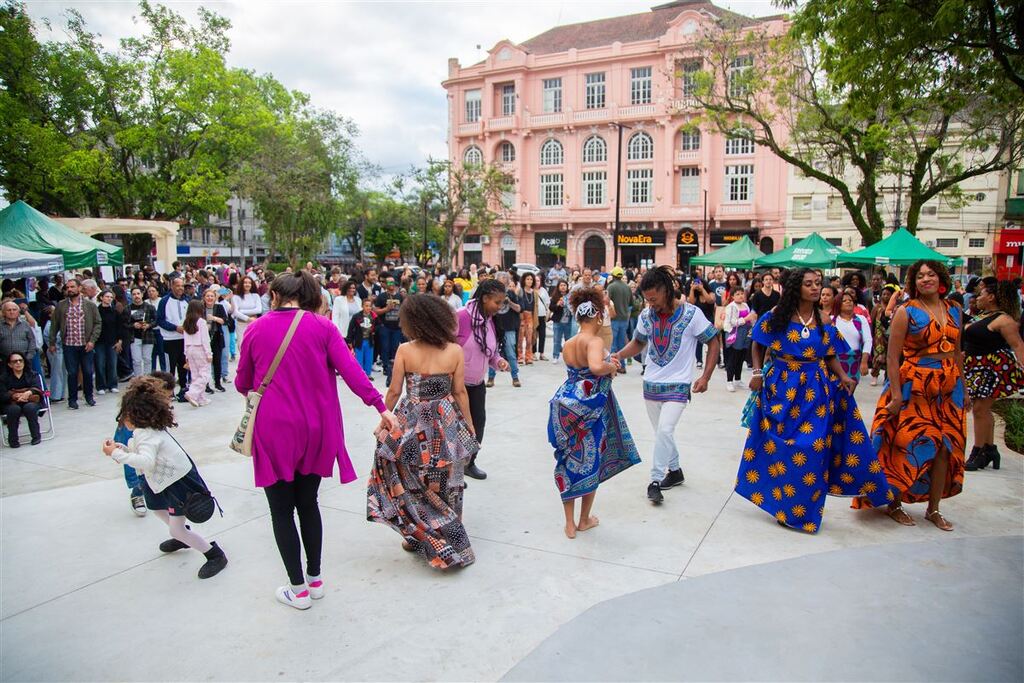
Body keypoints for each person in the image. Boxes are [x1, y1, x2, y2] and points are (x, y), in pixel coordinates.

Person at [235, 270, 397, 610]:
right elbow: (352, 371)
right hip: (316, 428)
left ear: (275, 296)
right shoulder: (323, 327)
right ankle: (315, 579)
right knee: (308, 503)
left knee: (281, 511)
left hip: (274, 429)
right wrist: (380, 406)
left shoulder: (255, 329)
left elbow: (242, 382)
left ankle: (298, 590)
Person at [736, 268, 893, 533]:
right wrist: (757, 372)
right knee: (783, 449)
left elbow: (830, 353)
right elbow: (758, 343)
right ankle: (783, 506)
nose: (815, 288)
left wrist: (843, 376)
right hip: (782, 388)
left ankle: (804, 513)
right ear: (797, 287)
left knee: (813, 449)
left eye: (818, 283)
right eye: (808, 284)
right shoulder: (777, 316)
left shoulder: (823, 319)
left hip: (815, 391)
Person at [853, 260, 966, 531]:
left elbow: (957, 351)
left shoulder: (955, 310)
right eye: (920, 276)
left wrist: (964, 388)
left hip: (949, 387)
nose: (925, 279)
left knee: (945, 448)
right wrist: (895, 394)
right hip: (914, 383)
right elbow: (893, 356)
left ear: (941, 279)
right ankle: (895, 504)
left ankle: (934, 509)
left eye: (930, 274)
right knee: (905, 444)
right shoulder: (907, 311)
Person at [367, 294, 478, 569]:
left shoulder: (405, 350)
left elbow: (394, 391)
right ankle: (448, 531)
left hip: (413, 419)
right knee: (447, 477)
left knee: (411, 476)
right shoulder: (454, 351)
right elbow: (460, 392)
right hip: (445, 419)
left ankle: (416, 533)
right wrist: (470, 426)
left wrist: (384, 421)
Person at [613, 266, 721, 504]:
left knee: (664, 431)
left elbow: (714, 342)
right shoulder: (645, 316)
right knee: (662, 433)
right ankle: (675, 471)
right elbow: (638, 343)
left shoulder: (692, 314)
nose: (650, 303)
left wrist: (706, 377)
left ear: (667, 291)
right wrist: (617, 356)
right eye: (646, 299)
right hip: (651, 385)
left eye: (653, 298)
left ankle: (654, 480)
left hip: (678, 386)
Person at [102, 377, 228, 578]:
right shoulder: (147, 429)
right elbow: (143, 455)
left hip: (177, 484)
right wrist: (123, 449)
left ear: (136, 415)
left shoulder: (146, 434)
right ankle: (184, 536)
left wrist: (115, 454)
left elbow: (146, 461)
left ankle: (214, 554)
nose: (122, 419)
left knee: (175, 529)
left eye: (124, 414)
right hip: (162, 481)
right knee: (157, 508)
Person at [548, 288, 640, 538]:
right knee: (592, 462)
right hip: (591, 407)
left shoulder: (569, 343)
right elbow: (596, 367)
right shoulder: (595, 341)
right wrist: (612, 365)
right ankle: (584, 519)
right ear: (598, 316)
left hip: (567, 405)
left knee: (568, 460)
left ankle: (569, 523)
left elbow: (578, 371)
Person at [962, 277, 1024, 471]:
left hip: (993, 369)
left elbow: (1017, 345)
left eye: (981, 294)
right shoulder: (982, 315)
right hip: (975, 367)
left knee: (980, 409)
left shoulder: (1004, 320)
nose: (977, 297)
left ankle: (978, 451)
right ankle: (989, 449)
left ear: (991, 297)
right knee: (982, 410)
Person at [456, 279, 510, 480]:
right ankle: (453, 471)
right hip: (455, 385)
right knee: (455, 429)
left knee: (478, 425)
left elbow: (491, 352)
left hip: (477, 384)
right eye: (497, 302)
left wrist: (499, 362)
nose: (499, 307)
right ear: (485, 298)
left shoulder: (489, 321)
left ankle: (469, 463)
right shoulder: (461, 317)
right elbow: (446, 346)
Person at [48, 278, 101, 409]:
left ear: (79, 288)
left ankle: (89, 396)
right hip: (69, 344)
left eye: (72, 287)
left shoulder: (89, 305)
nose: (70, 289)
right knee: (71, 372)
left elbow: (98, 323)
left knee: (88, 372)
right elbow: (54, 325)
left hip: (86, 344)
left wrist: (92, 340)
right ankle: (72, 399)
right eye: (68, 287)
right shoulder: (61, 305)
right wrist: (52, 342)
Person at [156, 277, 190, 402]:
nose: (180, 288)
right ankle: (168, 391)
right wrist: (175, 328)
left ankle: (183, 389)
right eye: (177, 285)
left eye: (182, 286)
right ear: (172, 286)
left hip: (184, 339)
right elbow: (159, 320)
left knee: (183, 366)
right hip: (169, 339)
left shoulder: (187, 300)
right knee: (170, 368)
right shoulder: (164, 301)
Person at [831, 287, 873, 389]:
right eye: (844, 301)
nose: (848, 302)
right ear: (838, 304)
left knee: (848, 393)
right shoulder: (832, 320)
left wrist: (864, 362)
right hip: (835, 362)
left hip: (853, 362)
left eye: (850, 300)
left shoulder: (861, 319)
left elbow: (868, 340)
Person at [1, 351, 43, 447]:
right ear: (9, 364)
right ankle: (13, 439)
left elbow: (38, 388)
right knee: (14, 409)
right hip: (10, 403)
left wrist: (28, 393)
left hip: (30, 400)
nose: (18, 363)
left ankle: (36, 436)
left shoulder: (32, 374)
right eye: (15, 361)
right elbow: (2, 394)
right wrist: (14, 396)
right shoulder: (3, 378)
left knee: (30, 408)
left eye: (21, 360)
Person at [487, 272, 522, 388]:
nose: (502, 285)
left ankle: (515, 377)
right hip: (494, 327)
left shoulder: (511, 293)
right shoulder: (491, 294)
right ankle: (491, 378)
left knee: (511, 353)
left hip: (509, 327)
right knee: (492, 352)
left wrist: (509, 302)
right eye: (500, 282)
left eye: (504, 282)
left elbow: (518, 308)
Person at [722, 286, 755, 391]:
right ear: (732, 296)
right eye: (737, 294)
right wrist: (745, 319)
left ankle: (738, 379)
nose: (741, 296)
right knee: (733, 357)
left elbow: (750, 319)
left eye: (742, 293)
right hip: (735, 334)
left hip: (745, 334)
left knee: (741, 357)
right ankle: (729, 381)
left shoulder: (745, 305)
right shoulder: (731, 307)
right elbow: (732, 322)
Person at [373, 276, 406, 385]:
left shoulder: (400, 296)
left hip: (397, 327)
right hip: (385, 326)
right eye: (389, 282)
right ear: (385, 284)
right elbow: (376, 311)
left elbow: (405, 309)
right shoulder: (382, 297)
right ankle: (386, 367)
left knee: (395, 347)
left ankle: (394, 367)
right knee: (385, 347)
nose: (391, 284)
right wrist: (386, 309)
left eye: (392, 282)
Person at [95, 290, 128, 395]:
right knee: (100, 364)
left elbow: (120, 327)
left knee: (112, 364)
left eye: (110, 297)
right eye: (107, 296)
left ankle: (113, 384)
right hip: (99, 341)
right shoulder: (96, 311)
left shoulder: (115, 312)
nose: (109, 299)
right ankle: (101, 385)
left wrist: (120, 341)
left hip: (112, 341)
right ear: (101, 298)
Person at [181, 299, 212, 407]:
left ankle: (200, 398)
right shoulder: (201, 322)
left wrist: (186, 355)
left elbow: (185, 339)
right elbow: (205, 339)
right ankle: (192, 393)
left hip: (190, 349)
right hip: (200, 349)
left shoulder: (186, 322)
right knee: (205, 374)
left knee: (195, 374)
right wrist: (209, 353)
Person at [869, 285, 896, 386]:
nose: (885, 296)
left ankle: (887, 378)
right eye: (883, 294)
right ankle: (875, 376)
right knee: (878, 356)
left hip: (891, 335)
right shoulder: (877, 308)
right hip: (878, 335)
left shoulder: (895, 308)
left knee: (890, 357)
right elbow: (872, 322)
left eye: (888, 294)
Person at [606, 266, 633, 369]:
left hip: (614, 318)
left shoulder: (611, 287)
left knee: (613, 343)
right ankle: (622, 365)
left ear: (613, 275)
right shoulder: (627, 287)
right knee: (622, 343)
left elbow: (607, 301)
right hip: (624, 318)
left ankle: (613, 366)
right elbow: (631, 303)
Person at [127, 287, 156, 379]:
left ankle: (148, 379)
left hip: (148, 336)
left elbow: (156, 320)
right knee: (136, 361)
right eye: (134, 294)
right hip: (134, 337)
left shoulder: (150, 307)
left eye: (138, 293)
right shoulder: (127, 308)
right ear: (131, 296)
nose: (136, 296)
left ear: (142, 295)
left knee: (147, 359)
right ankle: (138, 380)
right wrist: (133, 325)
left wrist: (148, 325)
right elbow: (124, 323)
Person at [346, 299, 377, 378]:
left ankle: (368, 374)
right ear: (362, 306)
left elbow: (377, 326)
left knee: (369, 358)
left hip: (369, 340)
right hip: (359, 340)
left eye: (370, 306)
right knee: (359, 358)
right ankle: (360, 375)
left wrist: (374, 332)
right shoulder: (357, 316)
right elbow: (351, 328)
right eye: (366, 306)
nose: (368, 308)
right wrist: (349, 339)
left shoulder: (374, 316)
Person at [0, 299, 36, 366]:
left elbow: (32, 341)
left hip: (24, 361)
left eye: (14, 310)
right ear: (4, 312)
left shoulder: (25, 324)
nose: (12, 312)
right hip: (4, 362)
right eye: (9, 310)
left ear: (18, 311)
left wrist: (28, 357)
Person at [549, 280, 573, 364]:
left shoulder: (570, 296)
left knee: (568, 340)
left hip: (568, 321)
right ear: (558, 287)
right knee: (557, 340)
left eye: (564, 285)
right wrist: (557, 305)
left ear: (567, 287)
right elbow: (551, 308)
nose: (563, 287)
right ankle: (555, 356)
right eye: (561, 285)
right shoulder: (555, 296)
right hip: (558, 321)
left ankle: (568, 357)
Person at [518, 272, 539, 364]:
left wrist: (535, 320)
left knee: (530, 339)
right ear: (524, 280)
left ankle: (528, 357)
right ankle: (519, 356)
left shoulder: (534, 292)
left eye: (531, 279)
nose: (529, 281)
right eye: (527, 279)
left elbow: (536, 307)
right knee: (520, 338)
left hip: (531, 316)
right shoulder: (520, 290)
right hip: (521, 316)